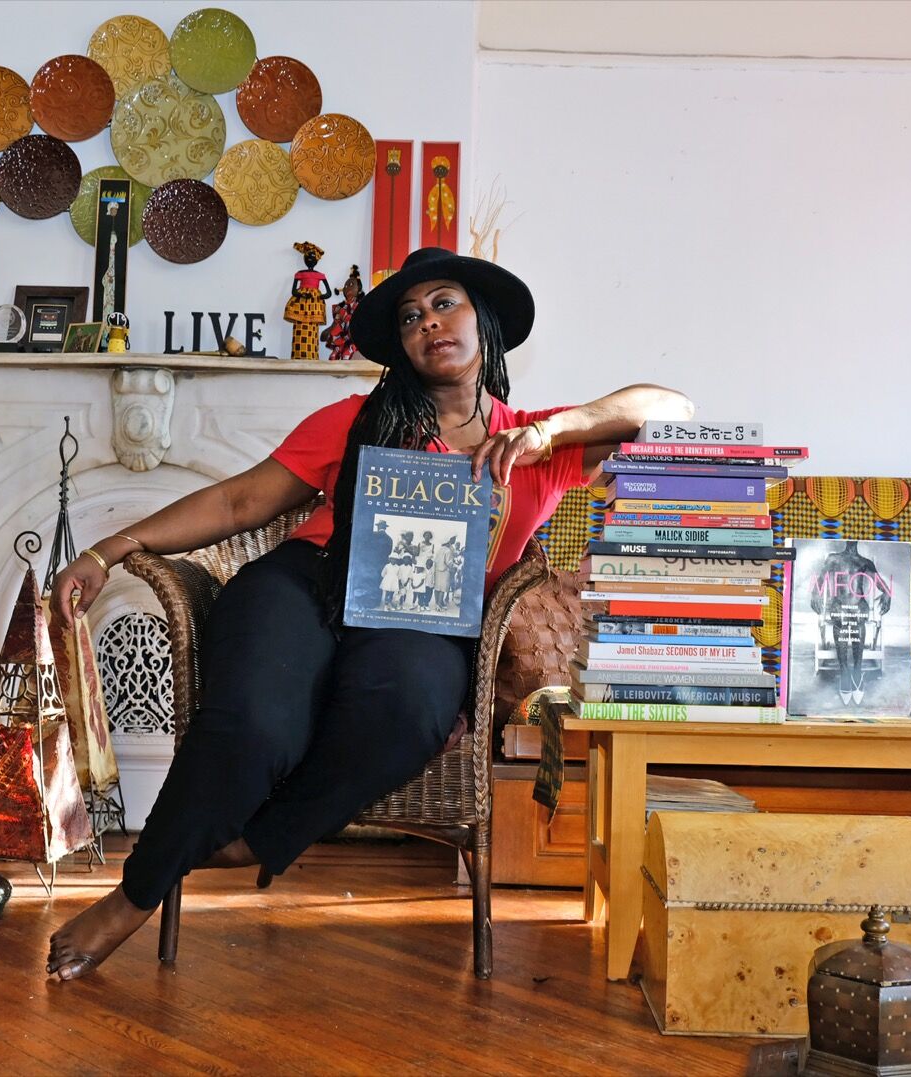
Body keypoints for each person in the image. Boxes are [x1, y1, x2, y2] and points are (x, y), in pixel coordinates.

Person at [45, 245, 694, 980]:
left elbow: (671, 408)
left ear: (483, 321)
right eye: (412, 316)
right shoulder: (357, 420)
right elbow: (237, 501)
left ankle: (258, 838)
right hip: (308, 586)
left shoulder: (537, 445)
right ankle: (133, 895)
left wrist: (552, 429)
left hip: (423, 622)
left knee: (410, 704)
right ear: (404, 347)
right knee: (255, 720)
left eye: (445, 303)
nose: (429, 322)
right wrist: (109, 547)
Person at [809, 539, 892, 705]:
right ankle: (845, 671)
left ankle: (857, 670)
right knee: (839, 617)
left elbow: (881, 584)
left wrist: (888, 594)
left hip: (858, 606)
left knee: (859, 618)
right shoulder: (833, 559)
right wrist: (815, 594)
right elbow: (820, 580)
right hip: (838, 605)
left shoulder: (865, 562)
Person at [283, 241, 331, 360]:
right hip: (300, 306)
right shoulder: (299, 274)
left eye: (313, 257)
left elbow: (329, 293)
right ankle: (298, 356)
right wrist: (303, 294)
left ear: (317, 260)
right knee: (299, 330)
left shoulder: (320, 275)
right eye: (308, 256)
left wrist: (320, 297)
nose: (310, 259)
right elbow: (294, 291)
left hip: (314, 307)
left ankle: (312, 357)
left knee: (312, 331)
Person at [321, 264, 365, 361]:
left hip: (354, 340)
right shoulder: (340, 308)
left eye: (351, 285)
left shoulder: (360, 306)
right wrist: (327, 331)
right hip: (341, 339)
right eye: (346, 286)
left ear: (359, 289)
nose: (348, 288)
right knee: (333, 356)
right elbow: (336, 323)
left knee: (348, 355)